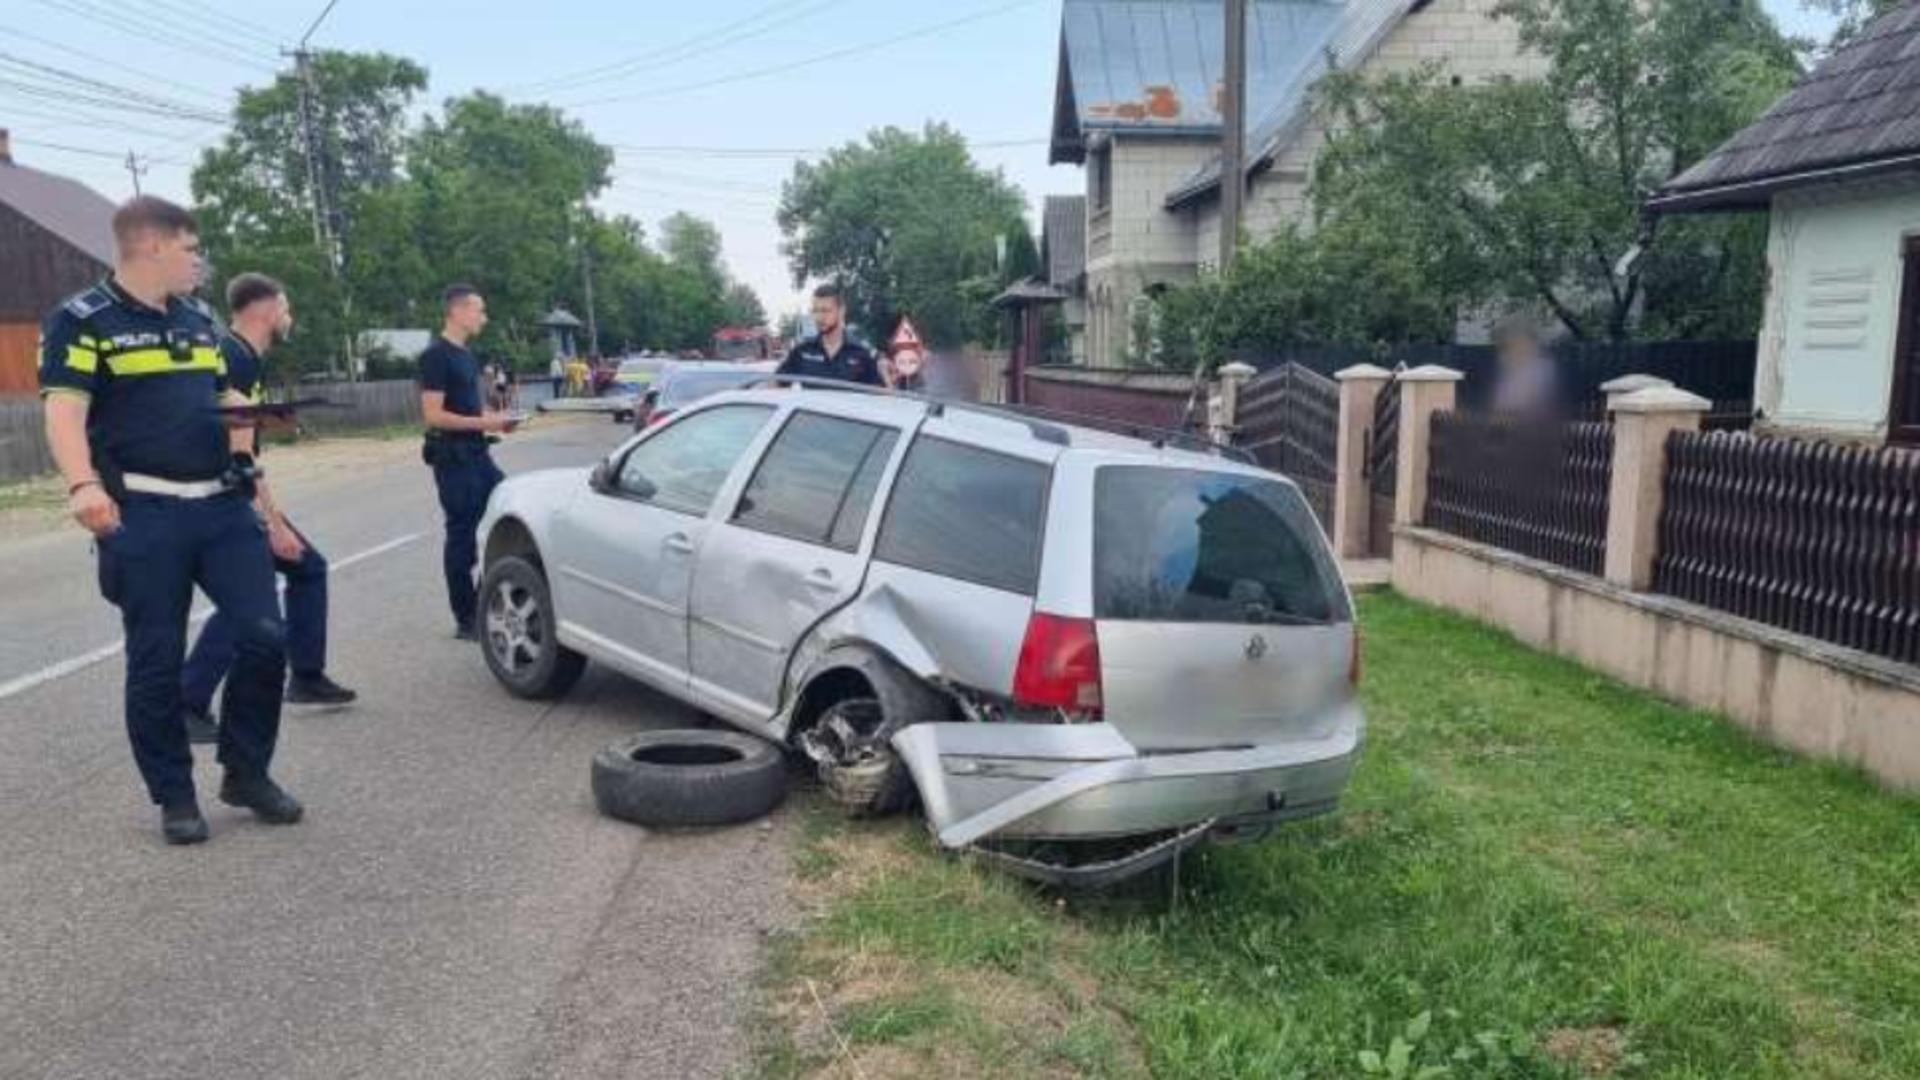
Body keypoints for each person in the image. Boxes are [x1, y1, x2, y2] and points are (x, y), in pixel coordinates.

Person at [38, 196, 301, 845]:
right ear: (153, 246)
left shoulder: (199, 319)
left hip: (219, 505)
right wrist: (82, 484)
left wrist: (249, 419)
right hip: (145, 513)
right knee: (155, 659)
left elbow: (218, 395)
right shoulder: (82, 320)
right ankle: (175, 796)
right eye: (191, 249)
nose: (199, 262)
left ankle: (246, 771)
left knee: (264, 634)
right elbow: (65, 411)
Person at [180, 274, 357, 746]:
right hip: (227, 494)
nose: (289, 316)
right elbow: (240, 452)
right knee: (253, 597)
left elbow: (240, 432)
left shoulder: (243, 357)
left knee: (296, 574)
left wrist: (272, 421)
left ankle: (304, 676)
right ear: (265, 310)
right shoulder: (234, 358)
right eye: (286, 307)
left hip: (229, 490)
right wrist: (273, 522)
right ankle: (190, 700)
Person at [420, 284, 518, 640]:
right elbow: (433, 415)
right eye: (480, 310)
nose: (484, 317)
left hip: (479, 453)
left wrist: (498, 417)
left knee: (505, 511)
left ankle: (482, 599)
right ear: (458, 311)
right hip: (453, 458)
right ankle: (466, 618)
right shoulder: (436, 355)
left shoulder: (466, 355)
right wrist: (485, 422)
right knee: (461, 534)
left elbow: (467, 407)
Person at [777, 284, 883, 386]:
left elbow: (878, 398)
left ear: (841, 311)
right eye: (815, 311)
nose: (819, 317)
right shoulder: (802, 351)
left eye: (825, 311)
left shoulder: (861, 353)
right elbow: (775, 386)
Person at [1489, 319, 1564, 419]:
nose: (1505, 352)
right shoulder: (1510, 371)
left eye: (1514, 343)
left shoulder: (1542, 369)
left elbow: (1530, 403)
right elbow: (1501, 405)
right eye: (1507, 346)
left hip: (1532, 423)